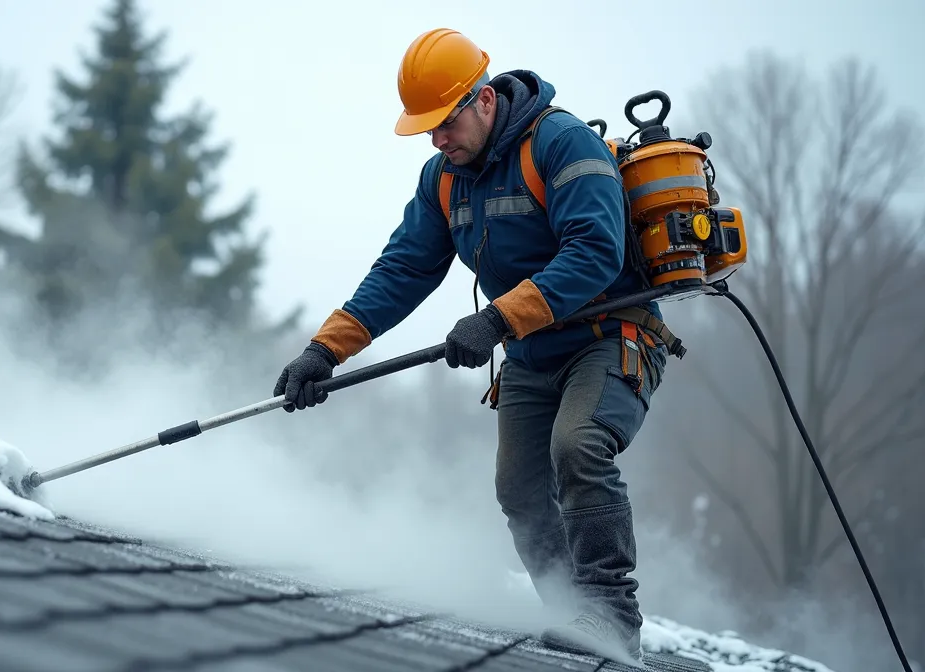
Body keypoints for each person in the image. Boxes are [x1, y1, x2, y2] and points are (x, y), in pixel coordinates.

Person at [272, 28, 672, 664]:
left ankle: (610, 616)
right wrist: (325, 350)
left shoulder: (565, 144)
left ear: (484, 101)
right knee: (518, 489)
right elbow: (403, 268)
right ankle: (568, 615)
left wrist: (498, 319)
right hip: (531, 353)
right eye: (427, 129)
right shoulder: (444, 179)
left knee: (579, 445)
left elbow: (596, 251)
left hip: (608, 337)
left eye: (445, 123)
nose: (437, 140)